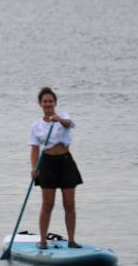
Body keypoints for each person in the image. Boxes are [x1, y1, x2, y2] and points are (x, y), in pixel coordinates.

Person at [28, 87, 83, 249]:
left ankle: (71, 240)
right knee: (48, 204)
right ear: (40, 104)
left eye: (51, 101)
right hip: (47, 163)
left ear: (55, 103)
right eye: (45, 102)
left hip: (65, 162)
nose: (48, 104)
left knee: (69, 204)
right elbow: (34, 148)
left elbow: (69, 124)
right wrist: (33, 168)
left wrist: (57, 119)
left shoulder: (64, 117)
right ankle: (43, 241)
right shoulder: (36, 126)